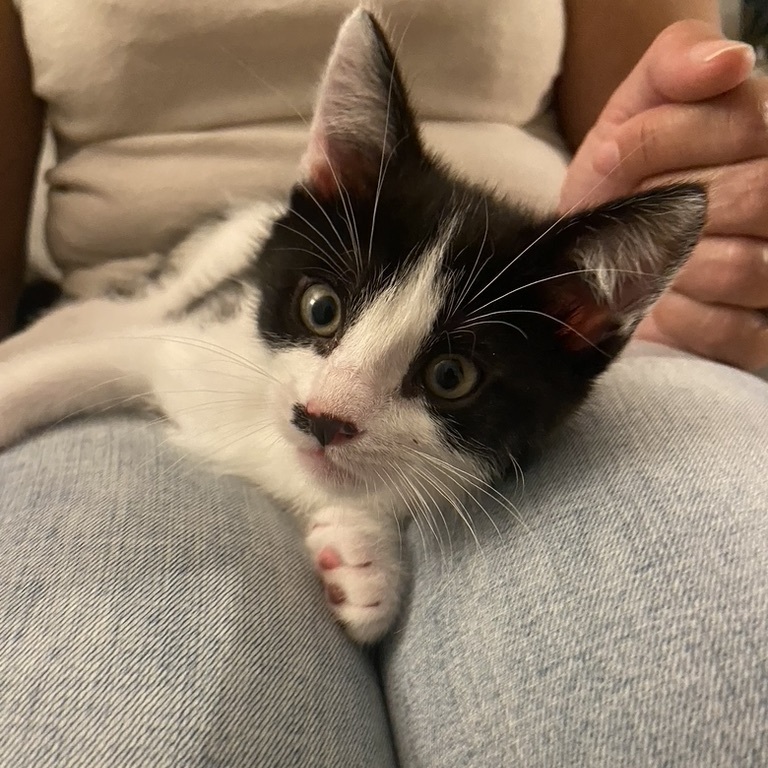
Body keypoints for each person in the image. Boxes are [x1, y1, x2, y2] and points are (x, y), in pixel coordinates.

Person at [0, 0, 765, 765]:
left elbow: (684, 139)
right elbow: (136, 359)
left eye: (449, 374)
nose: (328, 409)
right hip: (222, 263)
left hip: (548, 260)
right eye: (324, 313)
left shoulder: (550, 315)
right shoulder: (305, 252)